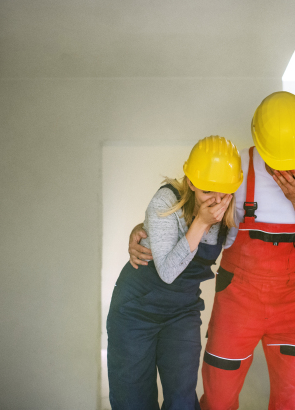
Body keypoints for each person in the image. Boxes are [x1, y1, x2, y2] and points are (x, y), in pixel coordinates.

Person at [129, 91, 295, 409]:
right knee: (217, 399)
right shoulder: (238, 166)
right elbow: (187, 205)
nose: (283, 169)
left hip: (292, 302)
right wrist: (144, 230)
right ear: (257, 141)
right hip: (237, 298)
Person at [107, 135, 243, 410]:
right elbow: (168, 271)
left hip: (181, 312)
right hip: (135, 311)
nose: (215, 202)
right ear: (191, 182)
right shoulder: (164, 201)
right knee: (133, 402)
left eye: (223, 193)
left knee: (182, 400)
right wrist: (200, 225)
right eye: (206, 192)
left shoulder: (230, 211)